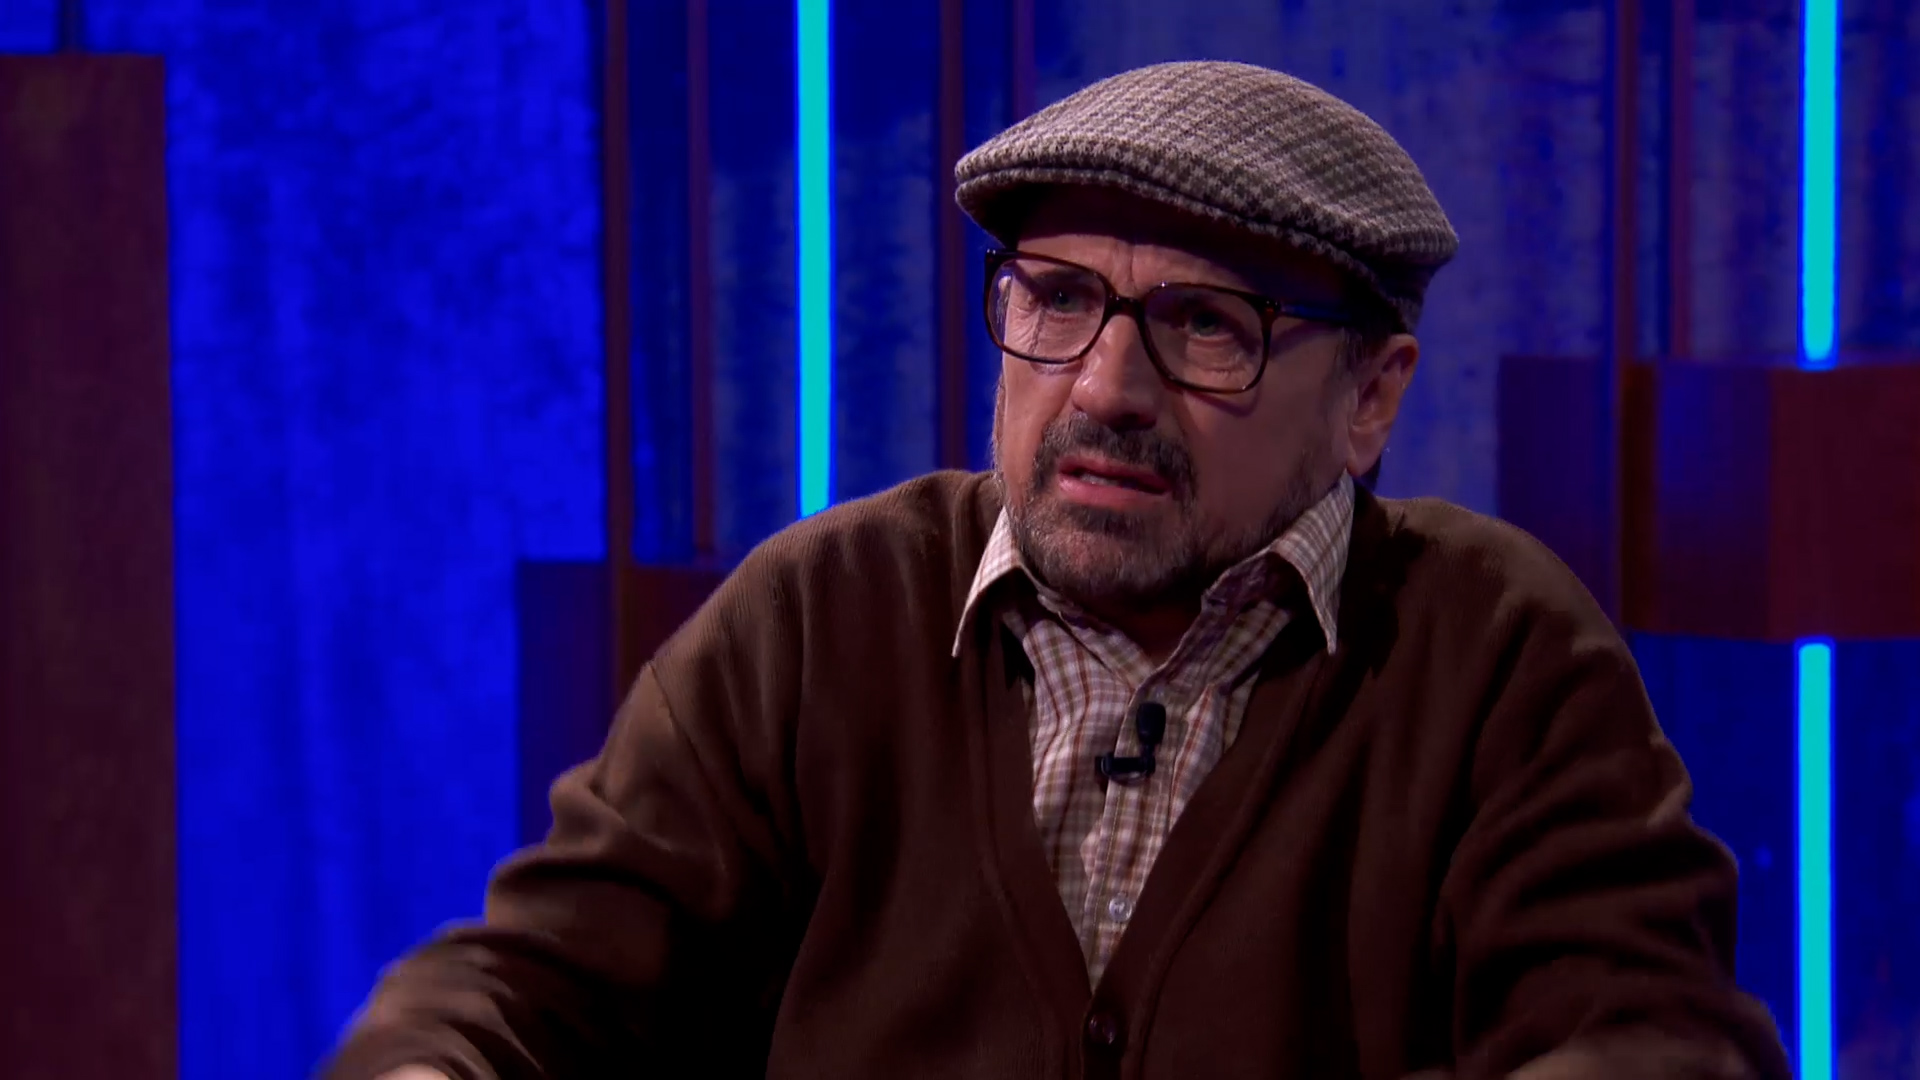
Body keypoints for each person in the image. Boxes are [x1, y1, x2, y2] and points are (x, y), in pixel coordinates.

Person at [326, 61, 1789, 1080]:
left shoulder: (1493, 651)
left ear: (1371, 396)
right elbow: (535, 985)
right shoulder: (822, 615)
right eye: (1058, 300)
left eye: (1205, 325)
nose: (1104, 388)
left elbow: (1654, 1042)